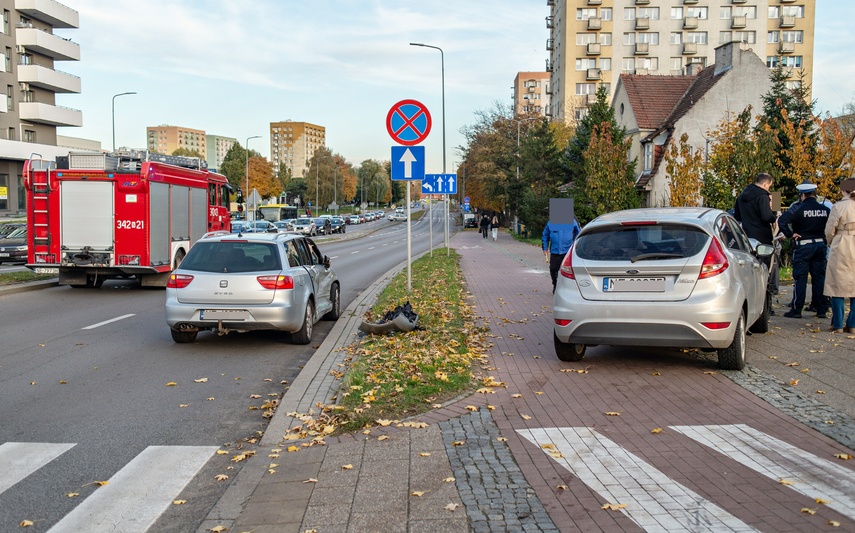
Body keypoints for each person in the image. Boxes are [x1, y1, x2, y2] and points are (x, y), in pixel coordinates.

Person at [777, 181, 831, 319]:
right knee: (819, 278)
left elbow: (782, 220)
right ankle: (821, 309)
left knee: (800, 278)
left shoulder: (797, 208)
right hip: (820, 246)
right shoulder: (824, 209)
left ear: (802, 195)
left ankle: (796, 310)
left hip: (803, 246)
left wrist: (790, 234)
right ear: (814, 194)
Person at [734, 172, 779, 294]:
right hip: (762, 237)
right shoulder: (763, 196)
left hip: (746, 237)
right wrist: (774, 216)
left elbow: (737, 216)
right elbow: (766, 216)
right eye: (769, 186)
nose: (769, 189)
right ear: (765, 184)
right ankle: (764, 298)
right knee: (764, 270)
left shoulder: (742, 196)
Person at [823, 178, 855, 333]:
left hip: (842, 243)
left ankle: (837, 324)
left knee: (836, 285)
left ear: (844, 190)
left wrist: (831, 242)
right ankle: (853, 323)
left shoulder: (839, 206)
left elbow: (829, 230)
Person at [542, 218, 581, 292]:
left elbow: (578, 234)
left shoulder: (572, 221)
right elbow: (545, 235)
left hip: (568, 251)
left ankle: (568, 288)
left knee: (569, 271)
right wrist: (545, 248)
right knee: (553, 269)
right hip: (555, 251)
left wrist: (575, 246)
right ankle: (555, 284)